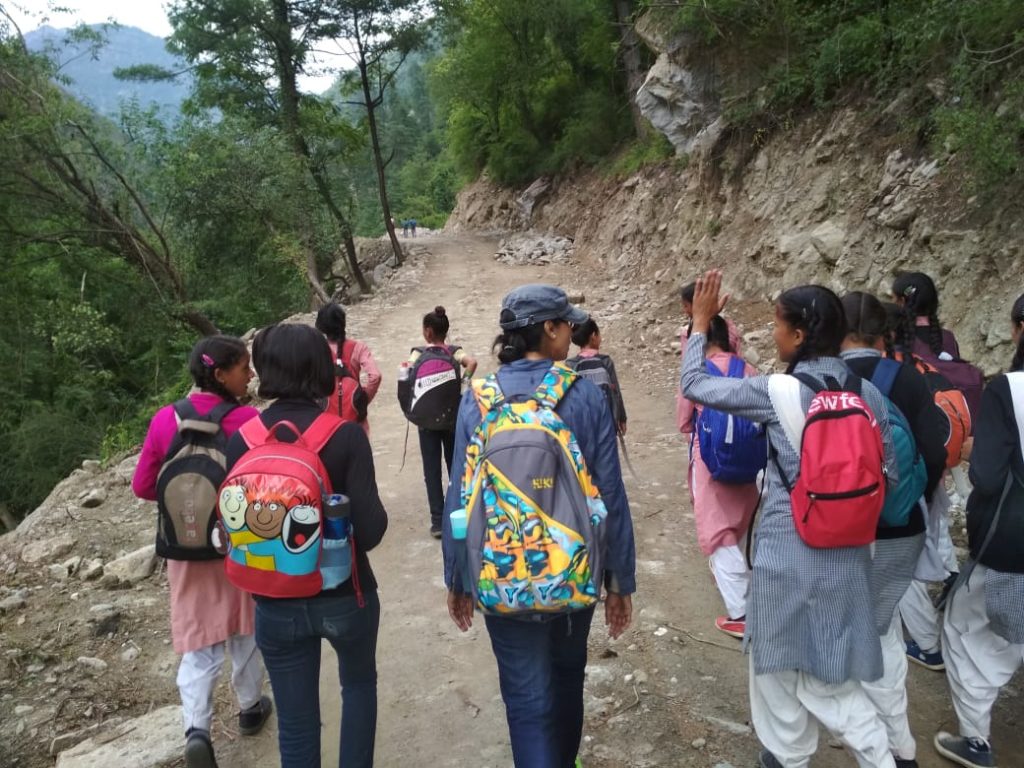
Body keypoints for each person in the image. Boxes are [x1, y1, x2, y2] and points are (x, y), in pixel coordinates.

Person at [682, 271, 898, 768]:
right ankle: (825, 755)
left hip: (785, 557)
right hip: (848, 559)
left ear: (799, 335)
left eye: (778, 325)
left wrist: (699, 324)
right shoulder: (869, 395)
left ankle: (798, 756)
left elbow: (695, 385)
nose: (772, 335)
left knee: (781, 667)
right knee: (830, 672)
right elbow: (886, 472)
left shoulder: (773, 392)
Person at [443, 284, 636, 768]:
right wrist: (618, 580)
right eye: (566, 323)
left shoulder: (478, 400)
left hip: (502, 573)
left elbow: (460, 497)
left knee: (527, 702)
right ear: (549, 329)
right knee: (568, 680)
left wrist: (458, 577)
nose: (572, 331)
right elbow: (609, 494)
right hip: (570, 570)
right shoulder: (585, 396)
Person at [225, 323, 388, 768]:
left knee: (296, 723)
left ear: (264, 370)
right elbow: (371, 532)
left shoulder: (240, 440)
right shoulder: (346, 436)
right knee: (357, 688)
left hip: (274, 601)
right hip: (343, 597)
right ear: (322, 369)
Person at [132, 335, 272, 767]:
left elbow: (142, 485)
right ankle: (250, 707)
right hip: (236, 545)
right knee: (245, 628)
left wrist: (190, 507)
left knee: (198, 640)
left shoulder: (164, 419)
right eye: (243, 367)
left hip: (185, 548)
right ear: (219, 374)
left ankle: (197, 729)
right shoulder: (247, 419)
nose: (250, 375)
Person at [841, 292, 950, 768]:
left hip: (839, 532)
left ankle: (870, 747)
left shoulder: (823, 378)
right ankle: (900, 746)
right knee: (883, 630)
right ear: (885, 333)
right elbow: (935, 449)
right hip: (900, 530)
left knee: (842, 634)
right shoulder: (906, 377)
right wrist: (910, 503)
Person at [934, 293, 1024, 768]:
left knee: (967, 630)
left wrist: (971, 452)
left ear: (1018, 329)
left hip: (1009, 543)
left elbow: (988, 477)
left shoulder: (1009, 389)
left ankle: (976, 742)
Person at [677, 314, 760, 639]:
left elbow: (684, 422)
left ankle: (741, 614)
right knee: (739, 526)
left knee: (717, 534)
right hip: (750, 462)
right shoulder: (748, 370)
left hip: (711, 464)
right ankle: (746, 593)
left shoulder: (696, 374)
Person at [409, 306, 477, 539]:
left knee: (432, 469)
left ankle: (437, 521)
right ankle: (458, 510)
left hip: (426, 420)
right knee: (454, 464)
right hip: (451, 416)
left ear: (427, 332)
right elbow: (472, 363)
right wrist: (464, 383)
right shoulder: (454, 352)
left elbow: (408, 375)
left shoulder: (417, 354)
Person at [315, 303, 382, 435]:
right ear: (343, 322)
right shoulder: (358, 347)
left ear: (321, 327)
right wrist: (363, 399)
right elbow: (375, 376)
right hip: (355, 421)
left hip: (327, 424)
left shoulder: (317, 350)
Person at [569, 318, 627, 435]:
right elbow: (615, 391)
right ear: (594, 336)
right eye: (599, 334)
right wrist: (621, 418)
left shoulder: (571, 365)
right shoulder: (606, 362)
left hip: (582, 425)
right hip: (606, 423)